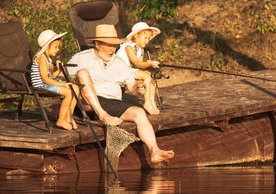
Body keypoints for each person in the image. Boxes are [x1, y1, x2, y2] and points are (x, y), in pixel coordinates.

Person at [66, 24, 174, 165]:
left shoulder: (119, 63)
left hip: (113, 102)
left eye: (115, 46)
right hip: (88, 103)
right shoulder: (81, 58)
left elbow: (131, 87)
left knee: (139, 112)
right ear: (97, 44)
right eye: (109, 45)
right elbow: (61, 77)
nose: (112, 49)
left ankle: (154, 151)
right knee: (82, 72)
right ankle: (102, 115)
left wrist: (138, 88)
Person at [31, 29, 80, 131]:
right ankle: (61, 120)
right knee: (68, 92)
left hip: (46, 82)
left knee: (75, 88)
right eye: (55, 47)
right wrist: (62, 85)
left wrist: (58, 70)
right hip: (41, 85)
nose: (57, 49)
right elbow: (45, 79)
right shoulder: (41, 59)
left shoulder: (48, 59)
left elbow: (51, 76)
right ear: (47, 46)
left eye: (58, 47)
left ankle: (68, 116)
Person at [116, 21, 161, 115]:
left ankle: (152, 102)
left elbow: (139, 64)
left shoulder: (141, 49)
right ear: (136, 36)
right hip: (121, 70)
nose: (147, 41)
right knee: (146, 76)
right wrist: (149, 64)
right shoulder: (128, 46)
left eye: (149, 38)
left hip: (130, 70)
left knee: (151, 75)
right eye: (145, 38)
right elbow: (136, 63)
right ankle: (147, 102)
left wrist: (147, 63)